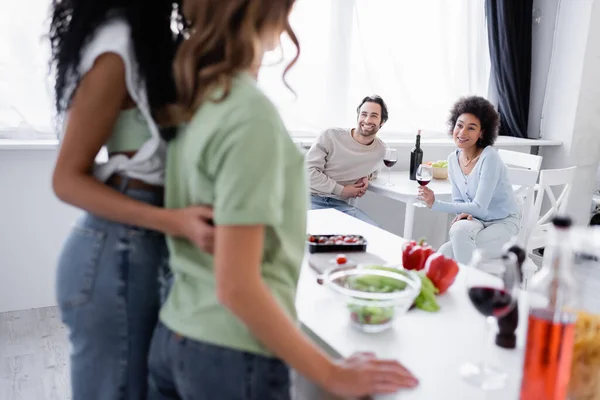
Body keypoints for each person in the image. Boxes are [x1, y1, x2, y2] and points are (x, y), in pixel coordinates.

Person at [147, 1, 418, 399]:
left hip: (178, 331)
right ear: (269, 17)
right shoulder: (249, 115)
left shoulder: (199, 100)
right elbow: (237, 286)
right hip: (233, 351)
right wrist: (332, 374)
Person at [49, 1, 214, 398]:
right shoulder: (117, 45)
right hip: (116, 254)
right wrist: (174, 222)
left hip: (140, 249)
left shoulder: (149, 44)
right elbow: (66, 179)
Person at [418, 96, 520, 264]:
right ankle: (468, 283)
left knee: (445, 252)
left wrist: (435, 204)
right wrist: (465, 213)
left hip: (504, 223)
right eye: (459, 125)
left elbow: (479, 207)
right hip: (477, 220)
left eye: (471, 128)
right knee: (458, 232)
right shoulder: (452, 159)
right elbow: (459, 200)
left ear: (482, 133)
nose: (462, 132)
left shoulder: (489, 157)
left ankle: (467, 285)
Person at [306, 95, 389, 226]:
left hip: (339, 206)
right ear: (358, 117)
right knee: (320, 236)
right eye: (364, 114)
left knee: (373, 230)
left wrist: (367, 177)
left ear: (382, 122)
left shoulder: (380, 150)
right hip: (309, 199)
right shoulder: (330, 136)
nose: (367, 120)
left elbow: (374, 170)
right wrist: (342, 190)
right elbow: (308, 173)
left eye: (374, 116)